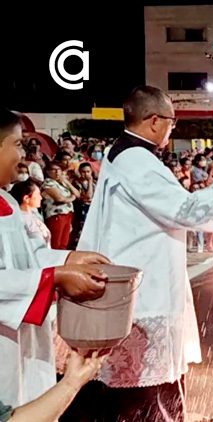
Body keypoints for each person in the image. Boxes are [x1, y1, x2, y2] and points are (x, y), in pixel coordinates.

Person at [65, 86, 213, 421]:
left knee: (138, 389)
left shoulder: (124, 153)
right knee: (146, 392)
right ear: (154, 121)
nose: (172, 128)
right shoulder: (137, 160)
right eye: (171, 121)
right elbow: (185, 210)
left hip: (136, 279)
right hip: (145, 290)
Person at [0, 107, 110, 409]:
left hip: (23, 338)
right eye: (18, 144)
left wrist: (71, 259)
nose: (23, 155)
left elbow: (28, 257)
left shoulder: (7, 200)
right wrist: (55, 278)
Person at [41, 161, 79, 249]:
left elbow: (77, 194)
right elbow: (60, 199)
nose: (57, 172)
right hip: (57, 215)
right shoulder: (48, 183)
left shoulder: (63, 182)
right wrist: (72, 198)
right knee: (56, 242)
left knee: (64, 242)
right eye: (54, 170)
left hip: (68, 214)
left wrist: (66, 181)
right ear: (47, 171)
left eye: (59, 170)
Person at [10, 180, 51, 248]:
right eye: (38, 194)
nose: (41, 198)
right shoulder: (20, 219)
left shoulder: (35, 214)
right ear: (26, 198)